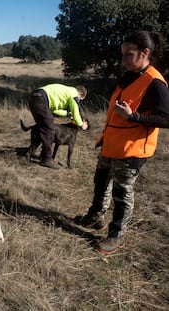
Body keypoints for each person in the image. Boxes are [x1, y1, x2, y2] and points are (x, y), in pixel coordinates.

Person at [75, 30, 169, 254]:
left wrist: (134, 117)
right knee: (100, 183)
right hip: (111, 144)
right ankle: (95, 217)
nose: (124, 59)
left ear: (145, 53)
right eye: (123, 54)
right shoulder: (130, 75)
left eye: (129, 54)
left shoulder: (155, 82)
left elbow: (166, 118)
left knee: (121, 194)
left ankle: (117, 236)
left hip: (132, 150)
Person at [28, 83, 89, 169]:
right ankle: (47, 160)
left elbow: (55, 110)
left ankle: (31, 155)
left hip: (35, 97)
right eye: (80, 99)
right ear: (80, 94)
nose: (78, 101)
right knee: (49, 128)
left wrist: (68, 113)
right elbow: (76, 111)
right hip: (41, 99)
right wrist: (81, 124)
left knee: (43, 129)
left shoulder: (66, 91)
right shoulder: (74, 94)